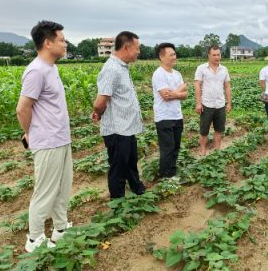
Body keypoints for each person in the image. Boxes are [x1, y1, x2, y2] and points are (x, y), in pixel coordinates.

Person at [16, 21, 73, 252]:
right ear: (48, 43)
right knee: (45, 191)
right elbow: (22, 108)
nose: (65, 43)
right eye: (61, 40)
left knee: (62, 187)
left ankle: (60, 229)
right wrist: (30, 133)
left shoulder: (51, 68)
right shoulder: (36, 70)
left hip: (61, 138)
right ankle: (35, 239)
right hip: (47, 141)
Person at [92, 31, 146, 199]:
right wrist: (97, 113)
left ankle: (138, 190)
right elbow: (100, 101)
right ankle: (118, 202)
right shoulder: (112, 69)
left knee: (130, 161)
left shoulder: (122, 67)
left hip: (127, 127)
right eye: (137, 48)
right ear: (126, 47)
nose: (139, 51)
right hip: (117, 129)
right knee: (118, 166)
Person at [152, 43, 187, 178]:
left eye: (174, 54)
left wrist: (175, 93)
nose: (174, 57)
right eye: (171, 54)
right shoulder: (158, 74)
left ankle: (171, 173)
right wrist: (180, 90)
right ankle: (165, 177)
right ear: (161, 57)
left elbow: (185, 95)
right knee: (167, 148)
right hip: (164, 117)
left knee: (176, 147)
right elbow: (165, 96)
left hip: (177, 115)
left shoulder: (177, 74)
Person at [194, 45, 232, 155]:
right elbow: (197, 86)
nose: (217, 57)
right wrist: (198, 103)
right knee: (204, 130)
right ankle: (203, 149)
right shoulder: (201, 68)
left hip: (220, 104)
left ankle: (216, 150)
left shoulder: (224, 69)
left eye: (218, 55)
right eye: (214, 55)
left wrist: (229, 103)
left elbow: (227, 86)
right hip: (206, 104)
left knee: (219, 129)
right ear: (209, 55)